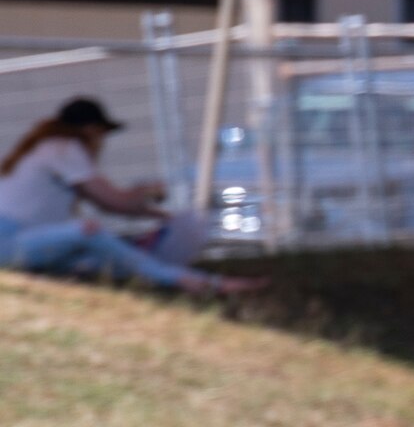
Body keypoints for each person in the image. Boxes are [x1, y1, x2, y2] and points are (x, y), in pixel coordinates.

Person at [0, 96, 253, 296]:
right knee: (87, 231)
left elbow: (111, 202)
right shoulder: (64, 147)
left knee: (91, 257)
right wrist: (148, 195)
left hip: (19, 242)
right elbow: (113, 201)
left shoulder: (44, 149)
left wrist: (153, 212)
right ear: (91, 130)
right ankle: (187, 280)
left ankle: (166, 275)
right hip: (10, 244)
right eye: (102, 134)